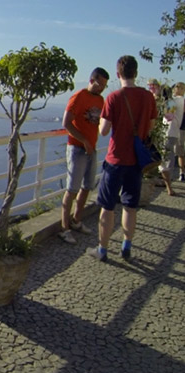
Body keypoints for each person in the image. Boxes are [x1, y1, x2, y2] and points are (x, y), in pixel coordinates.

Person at [87, 55, 157, 262]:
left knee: (107, 207)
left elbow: (104, 131)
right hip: (136, 161)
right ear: (135, 73)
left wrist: (100, 121)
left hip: (115, 159)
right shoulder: (148, 97)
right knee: (130, 206)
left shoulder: (113, 98)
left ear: (118, 74)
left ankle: (103, 249)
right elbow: (151, 126)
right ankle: (127, 246)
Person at [58, 67, 109, 244]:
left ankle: (77, 220)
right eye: (100, 84)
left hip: (90, 149)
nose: (102, 88)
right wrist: (83, 140)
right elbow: (67, 123)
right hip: (77, 148)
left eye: (104, 85)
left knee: (87, 186)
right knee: (72, 189)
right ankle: (64, 229)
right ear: (92, 79)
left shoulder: (101, 100)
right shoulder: (79, 97)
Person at [146, 78, 174, 195]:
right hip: (154, 131)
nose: (151, 89)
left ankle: (165, 184)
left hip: (162, 131)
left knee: (161, 157)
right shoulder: (150, 99)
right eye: (150, 86)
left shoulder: (169, 101)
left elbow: (170, 116)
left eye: (153, 86)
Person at [157, 81, 184, 195]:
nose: (178, 88)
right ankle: (167, 183)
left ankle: (168, 187)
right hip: (170, 132)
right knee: (167, 158)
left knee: (167, 159)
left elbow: (168, 116)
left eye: (181, 87)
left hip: (169, 131)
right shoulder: (175, 101)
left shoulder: (177, 101)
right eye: (177, 87)